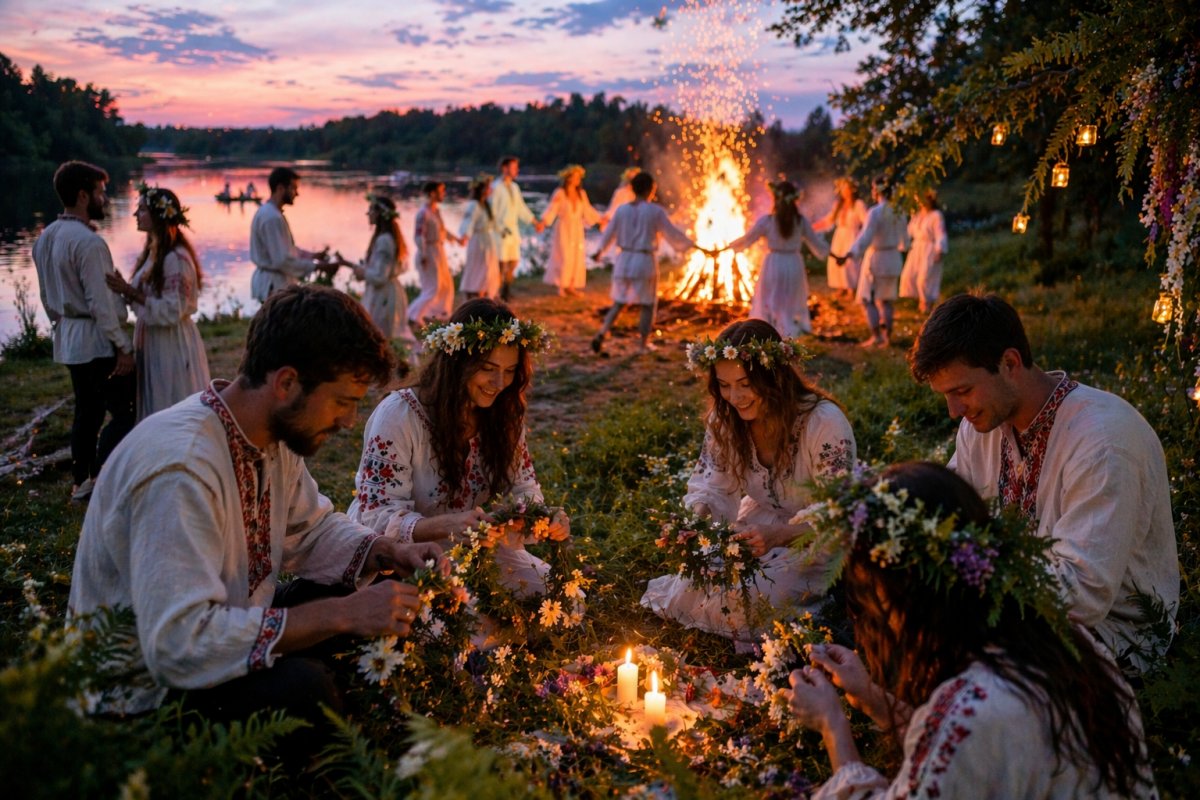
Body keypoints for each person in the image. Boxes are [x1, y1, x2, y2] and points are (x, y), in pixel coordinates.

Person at [69, 285, 445, 752]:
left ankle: (360, 731)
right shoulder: (181, 468)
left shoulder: (270, 435)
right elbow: (177, 644)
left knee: (365, 593)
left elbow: (311, 528)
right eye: (343, 401)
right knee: (305, 687)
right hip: (142, 695)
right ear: (286, 383)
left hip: (229, 625)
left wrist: (386, 549)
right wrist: (340, 616)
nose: (350, 420)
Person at [787, 461, 1158, 799]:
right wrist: (869, 695)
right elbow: (959, 754)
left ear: (902, 598)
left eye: (874, 595)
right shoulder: (1067, 640)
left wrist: (832, 726)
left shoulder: (969, 710)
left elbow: (960, 741)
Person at [908, 293, 1179, 673]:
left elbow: (1086, 593)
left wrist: (968, 577)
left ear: (1009, 363)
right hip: (1017, 607)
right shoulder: (982, 427)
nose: (954, 411)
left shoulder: (1103, 441)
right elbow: (950, 507)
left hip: (1115, 634)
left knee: (963, 664)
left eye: (962, 391)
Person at [641, 320, 856, 646]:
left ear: (774, 377)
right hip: (759, 523)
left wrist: (782, 535)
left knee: (755, 599)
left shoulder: (823, 423)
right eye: (724, 385)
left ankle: (825, 606)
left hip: (813, 538)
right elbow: (713, 486)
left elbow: (841, 515)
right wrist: (697, 520)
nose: (734, 397)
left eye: (744, 383)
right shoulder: (725, 419)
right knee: (697, 581)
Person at [348, 298, 566, 597]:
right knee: (446, 628)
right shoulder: (399, 416)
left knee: (562, 597)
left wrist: (538, 515)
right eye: (488, 368)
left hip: (466, 553)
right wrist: (444, 525)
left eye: (510, 369)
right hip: (394, 560)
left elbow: (522, 484)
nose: (499, 382)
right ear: (457, 362)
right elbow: (377, 514)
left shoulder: (504, 415)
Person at [31, 160, 136, 503]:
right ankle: (100, 476)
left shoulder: (46, 237)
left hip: (70, 337)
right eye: (100, 193)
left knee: (87, 410)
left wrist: (61, 324)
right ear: (81, 195)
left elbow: (47, 297)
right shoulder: (88, 243)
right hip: (95, 340)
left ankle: (82, 481)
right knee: (127, 411)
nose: (104, 200)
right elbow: (100, 303)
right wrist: (122, 346)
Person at [105, 184, 211, 421]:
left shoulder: (176, 259)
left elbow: (173, 310)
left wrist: (130, 292)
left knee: (171, 399)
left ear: (158, 215)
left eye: (141, 209)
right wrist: (127, 290)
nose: (136, 214)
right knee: (155, 401)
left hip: (171, 341)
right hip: (153, 338)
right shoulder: (153, 254)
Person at [589, 171, 702, 355]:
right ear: (651, 189)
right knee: (648, 304)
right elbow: (672, 233)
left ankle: (602, 333)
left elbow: (609, 233)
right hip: (644, 261)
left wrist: (599, 252)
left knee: (618, 302)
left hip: (624, 260)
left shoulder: (622, 210)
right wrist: (692, 245)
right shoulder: (654, 211)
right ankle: (642, 345)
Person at [722, 179, 829, 337]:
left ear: (775, 198)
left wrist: (727, 247)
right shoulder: (800, 221)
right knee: (789, 299)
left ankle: (771, 329)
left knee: (771, 298)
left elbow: (748, 238)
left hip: (774, 263)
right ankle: (786, 328)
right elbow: (817, 243)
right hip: (793, 263)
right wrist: (834, 254)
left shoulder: (768, 221)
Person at [838, 175, 908, 348]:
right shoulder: (899, 211)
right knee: (886, 300)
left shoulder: (875, 212)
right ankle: (888, 338)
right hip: (893, 258)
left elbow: (865, 237)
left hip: (877, 258)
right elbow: (905, 242)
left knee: (866, 298)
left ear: (877, 191)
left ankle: (876, 336)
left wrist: (849, 253)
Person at [335, 194, 413, 343]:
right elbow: (376, 269)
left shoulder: (384, 240)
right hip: (381, 293)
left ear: (380, 214)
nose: (368, 213)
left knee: (381, 337)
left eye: (371, 210)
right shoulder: (384, 237)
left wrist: (361, 272)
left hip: (383, 297)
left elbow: (379, 276)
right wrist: (347, 264)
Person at [248, 166, 332, 302]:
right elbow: (281, 260)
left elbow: (284, 248)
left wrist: (312, 256)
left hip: (275, 282)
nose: (296, 193)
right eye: (293, 188)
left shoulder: (270, 212)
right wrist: (316, 266)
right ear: (280, 188)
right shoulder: (271, 217)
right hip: (274, 285)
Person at [541, 164, 603, 297]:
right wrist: (544, 222)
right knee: (564, 255)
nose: (578, 180)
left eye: (579, 177)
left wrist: (600, 219)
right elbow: (552, 209)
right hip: (564, 228)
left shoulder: (581, 194)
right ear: (568, 178)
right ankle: (561, 286)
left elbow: (588, 210)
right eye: (575, 177)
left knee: (576, 256)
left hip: (576, 229)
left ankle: (571, 285)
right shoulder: (560, 193)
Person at [408, 181, 461, 335]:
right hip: (429, 252)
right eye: (441, 191)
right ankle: (413, 315)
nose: (444, 194)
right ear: (432, 193)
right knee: (433, 287)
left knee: (446, 285)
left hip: (438, 251)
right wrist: (423, 253)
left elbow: (442, 229)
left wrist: (456, 239)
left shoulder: (435, 211)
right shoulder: (423, 213)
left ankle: (440, 314)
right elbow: (419, 236)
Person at [489, 156, 544, 301]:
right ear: (504, 168)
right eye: (514, 167)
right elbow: (491, 212)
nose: (516, 170)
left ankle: (506, 290)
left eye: (516, 168)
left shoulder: (514, 187)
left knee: (513, 262)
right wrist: (499, 229)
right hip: (499, 232)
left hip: (512, 231)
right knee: (501, 265)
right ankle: (497, 293)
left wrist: (534, 221)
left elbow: (521, 208)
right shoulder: (495, 187)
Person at [812, 177, 867, 299]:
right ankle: (841, 287)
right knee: (836, 261)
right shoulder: (839, 205)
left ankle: (851, 288)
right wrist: (813, 227)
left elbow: (866, 222)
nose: (845, 191)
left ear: (852, 190)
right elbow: (829, 220)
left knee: (850, 262)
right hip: (840, 235)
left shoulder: (858, 204)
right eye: (843, 189)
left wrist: (862, 236)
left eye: (847, 188)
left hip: (852, 235)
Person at [899, 188, 949, 313]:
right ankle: (920, 301)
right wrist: (901, 244)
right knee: (909, 275)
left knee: (925, 277)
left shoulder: (936, 215)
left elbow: (940, 233)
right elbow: (908, 231)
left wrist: (939, 249)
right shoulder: (917, 215)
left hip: (929, 248)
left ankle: (927, 303)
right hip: (917, 248)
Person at [458, 174, 502, 300]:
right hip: (478, 242)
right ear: (482, 189)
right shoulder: (474, 205)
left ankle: (485, 296)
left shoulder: (486, 205)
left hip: (488, 240)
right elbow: (468, 221)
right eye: (489, 187)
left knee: (488, 270)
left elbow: (493, 223)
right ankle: (476, 296)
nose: (491, 190)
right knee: (478, 270)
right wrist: (465, 235)